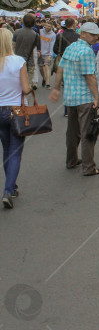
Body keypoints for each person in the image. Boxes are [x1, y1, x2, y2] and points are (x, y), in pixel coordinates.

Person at [50, 22, 99, 176]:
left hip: (70, 97)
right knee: (88, 133)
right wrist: (97, 97)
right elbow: (90, 77)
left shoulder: (71, 47)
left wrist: (56, 88)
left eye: (96, 35)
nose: (95, 38)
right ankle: (88, 167)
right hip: (84, 97)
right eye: (92, 35)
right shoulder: (87, 52)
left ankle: (71, 160)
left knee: (72, 133)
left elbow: (60, 68)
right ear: (83, 33)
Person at [0, 28, 34, 208]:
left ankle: (11, 186)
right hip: (16, 110)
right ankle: (8, 189)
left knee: (6, 150)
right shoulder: (18, 61)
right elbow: (25, 88)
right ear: (10, 41)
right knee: (15, 152)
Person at [12, 13, 41, 90]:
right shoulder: (36, 35)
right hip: (29, 61)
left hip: (16, 61)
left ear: (23, 21)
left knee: (16, 85)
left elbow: (13, 46)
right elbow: (33, 47)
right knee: (27, 86)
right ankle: (25, 101)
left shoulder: (17, 32)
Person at [39, 21, 56, 88]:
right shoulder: (40, 31)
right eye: (46, 25)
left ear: (51, 27)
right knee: (41, 68)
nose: (47, 27)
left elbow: (52, 45)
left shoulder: (53, 35)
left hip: (47, 53)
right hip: (40, 52)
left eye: (49, 26)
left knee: (47, 67)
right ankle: (44, 78)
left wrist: (50, 55)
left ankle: (48, 84)